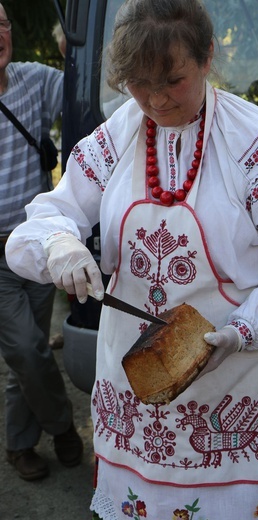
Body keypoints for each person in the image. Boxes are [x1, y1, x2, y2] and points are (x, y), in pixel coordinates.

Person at [6, 0, 258, 517]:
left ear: (207, 57)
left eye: (173, 80)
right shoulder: (119, 134)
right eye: (138, 84)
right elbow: (51, 212)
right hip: (135, 388)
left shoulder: (255, 142)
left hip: (236, 385)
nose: (156, 101)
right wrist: (60, 243)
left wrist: (243, 331)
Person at [0, 3, 83, 481]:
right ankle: (62, 427)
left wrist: (76, 48)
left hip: (36, 248)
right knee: (29, 351)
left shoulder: (32, 80)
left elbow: (91, 90)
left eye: (2, 23)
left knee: (23, 356)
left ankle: (18, 444)